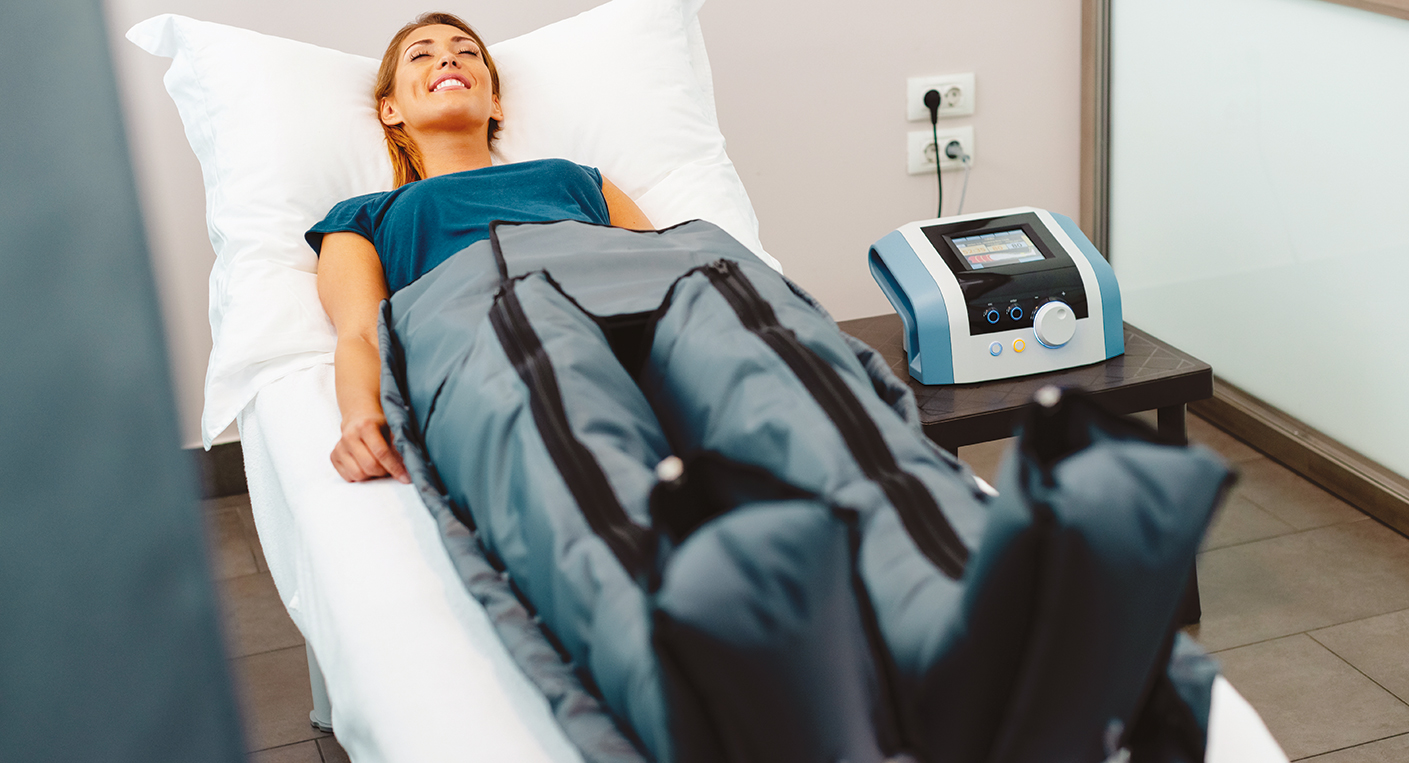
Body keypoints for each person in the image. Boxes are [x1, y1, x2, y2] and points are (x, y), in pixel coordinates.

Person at [310, 12, 653, 484]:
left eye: (466, 51)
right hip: (497, 348)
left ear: (495, 103)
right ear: (390, 110)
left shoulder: (573, 178)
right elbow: (363, 335)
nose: (448, 58)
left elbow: (661, 270)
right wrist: (361, 416)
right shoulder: (365, 216)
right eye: (421, 55)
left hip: (615, 329)